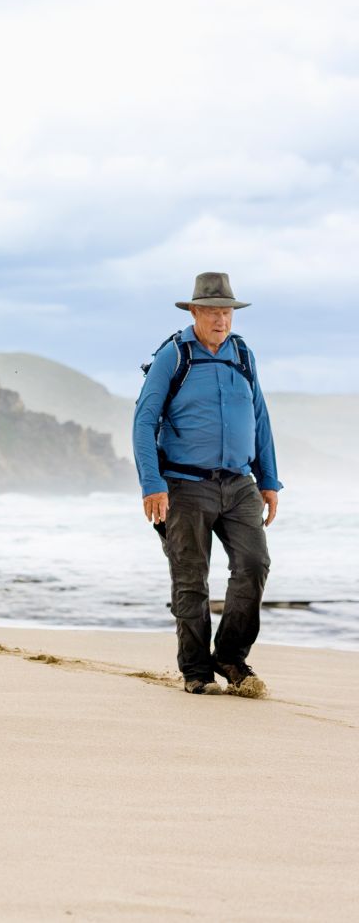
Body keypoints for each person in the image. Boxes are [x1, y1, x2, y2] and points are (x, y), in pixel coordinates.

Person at [133, 273, 281, 697]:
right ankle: (197, 671)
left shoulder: (241, 354)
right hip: (184, 485)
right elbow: (144, 420)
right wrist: (151, 484)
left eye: (227, 311)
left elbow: (260, 417)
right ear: (194, 311)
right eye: (212, 311)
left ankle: (231, 658)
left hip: (240, 485)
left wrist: (268, 479)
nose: (221, 319)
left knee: (254, 565)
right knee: (191, 580)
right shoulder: (174, 356)